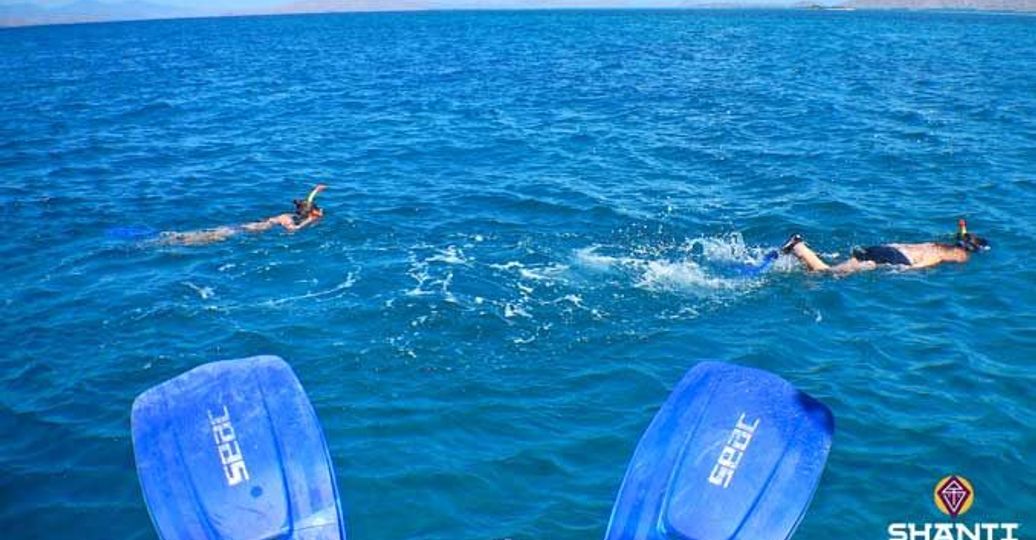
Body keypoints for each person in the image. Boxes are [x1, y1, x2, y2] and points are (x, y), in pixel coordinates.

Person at [781, 219, 989, 274]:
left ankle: (801, 260)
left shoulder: (934, 244)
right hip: (893, 258)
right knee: (827, 273)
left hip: (886, 248)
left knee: (833, 268)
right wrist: (900, 271)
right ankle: (799, 246)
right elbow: (926, 263)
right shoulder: (954, 254)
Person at [159, 185, 326, 246]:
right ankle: (167, 241)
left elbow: (307, 204)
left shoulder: (294, 213)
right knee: (200, 240)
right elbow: (292, 230)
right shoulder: (287, 218)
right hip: (242, 230)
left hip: (244, 228)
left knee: (202, 237)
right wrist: (310, 221)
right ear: (309, 213)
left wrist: (315, 192)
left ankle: (171, 239)